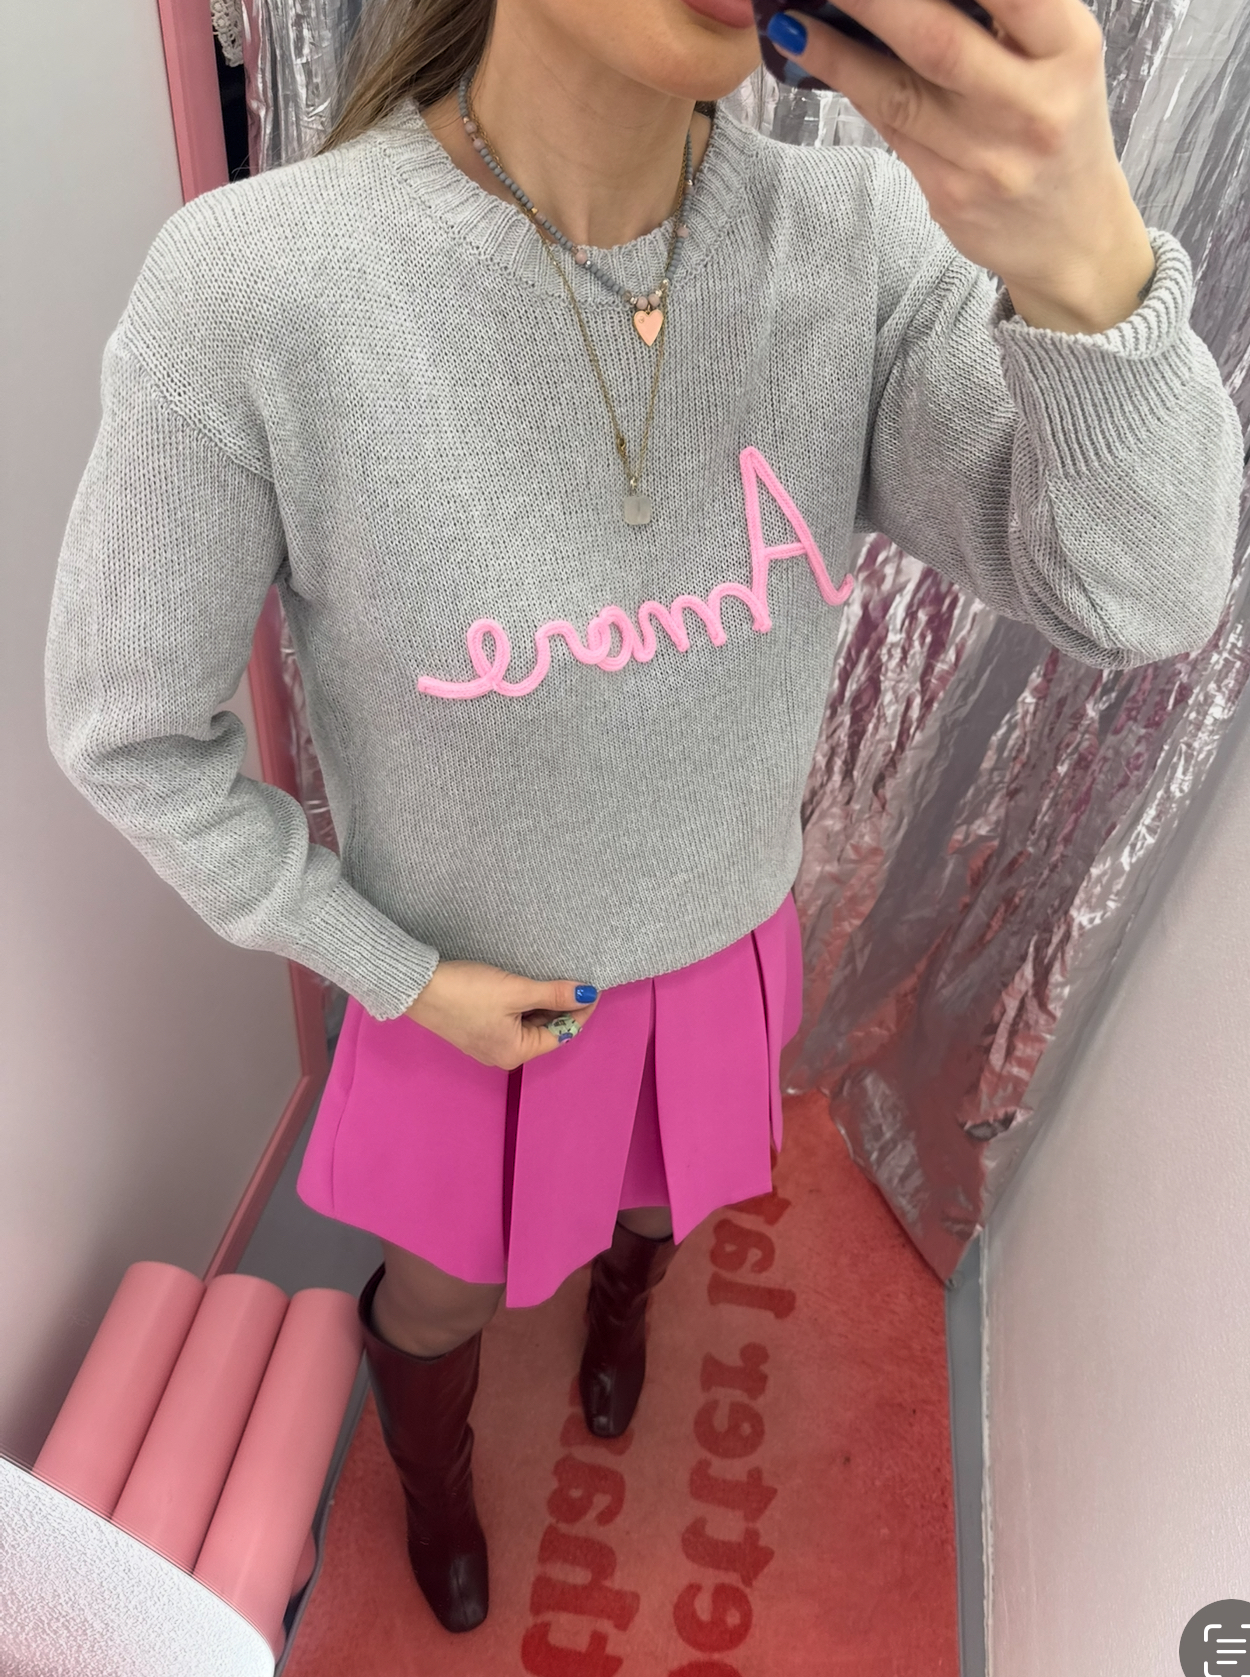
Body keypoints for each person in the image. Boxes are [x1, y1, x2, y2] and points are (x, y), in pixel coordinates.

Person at [43, 0, 1242, 1641]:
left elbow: (1139, 596)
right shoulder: (260, 288)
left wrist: (1085, 266)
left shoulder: (857, 247)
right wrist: (389, 969)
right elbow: (132, 736)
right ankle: (434, 1478)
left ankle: (624, 1307)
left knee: (658, 1209)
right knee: (439, 1291)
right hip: (454, 996)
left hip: (715, 958)